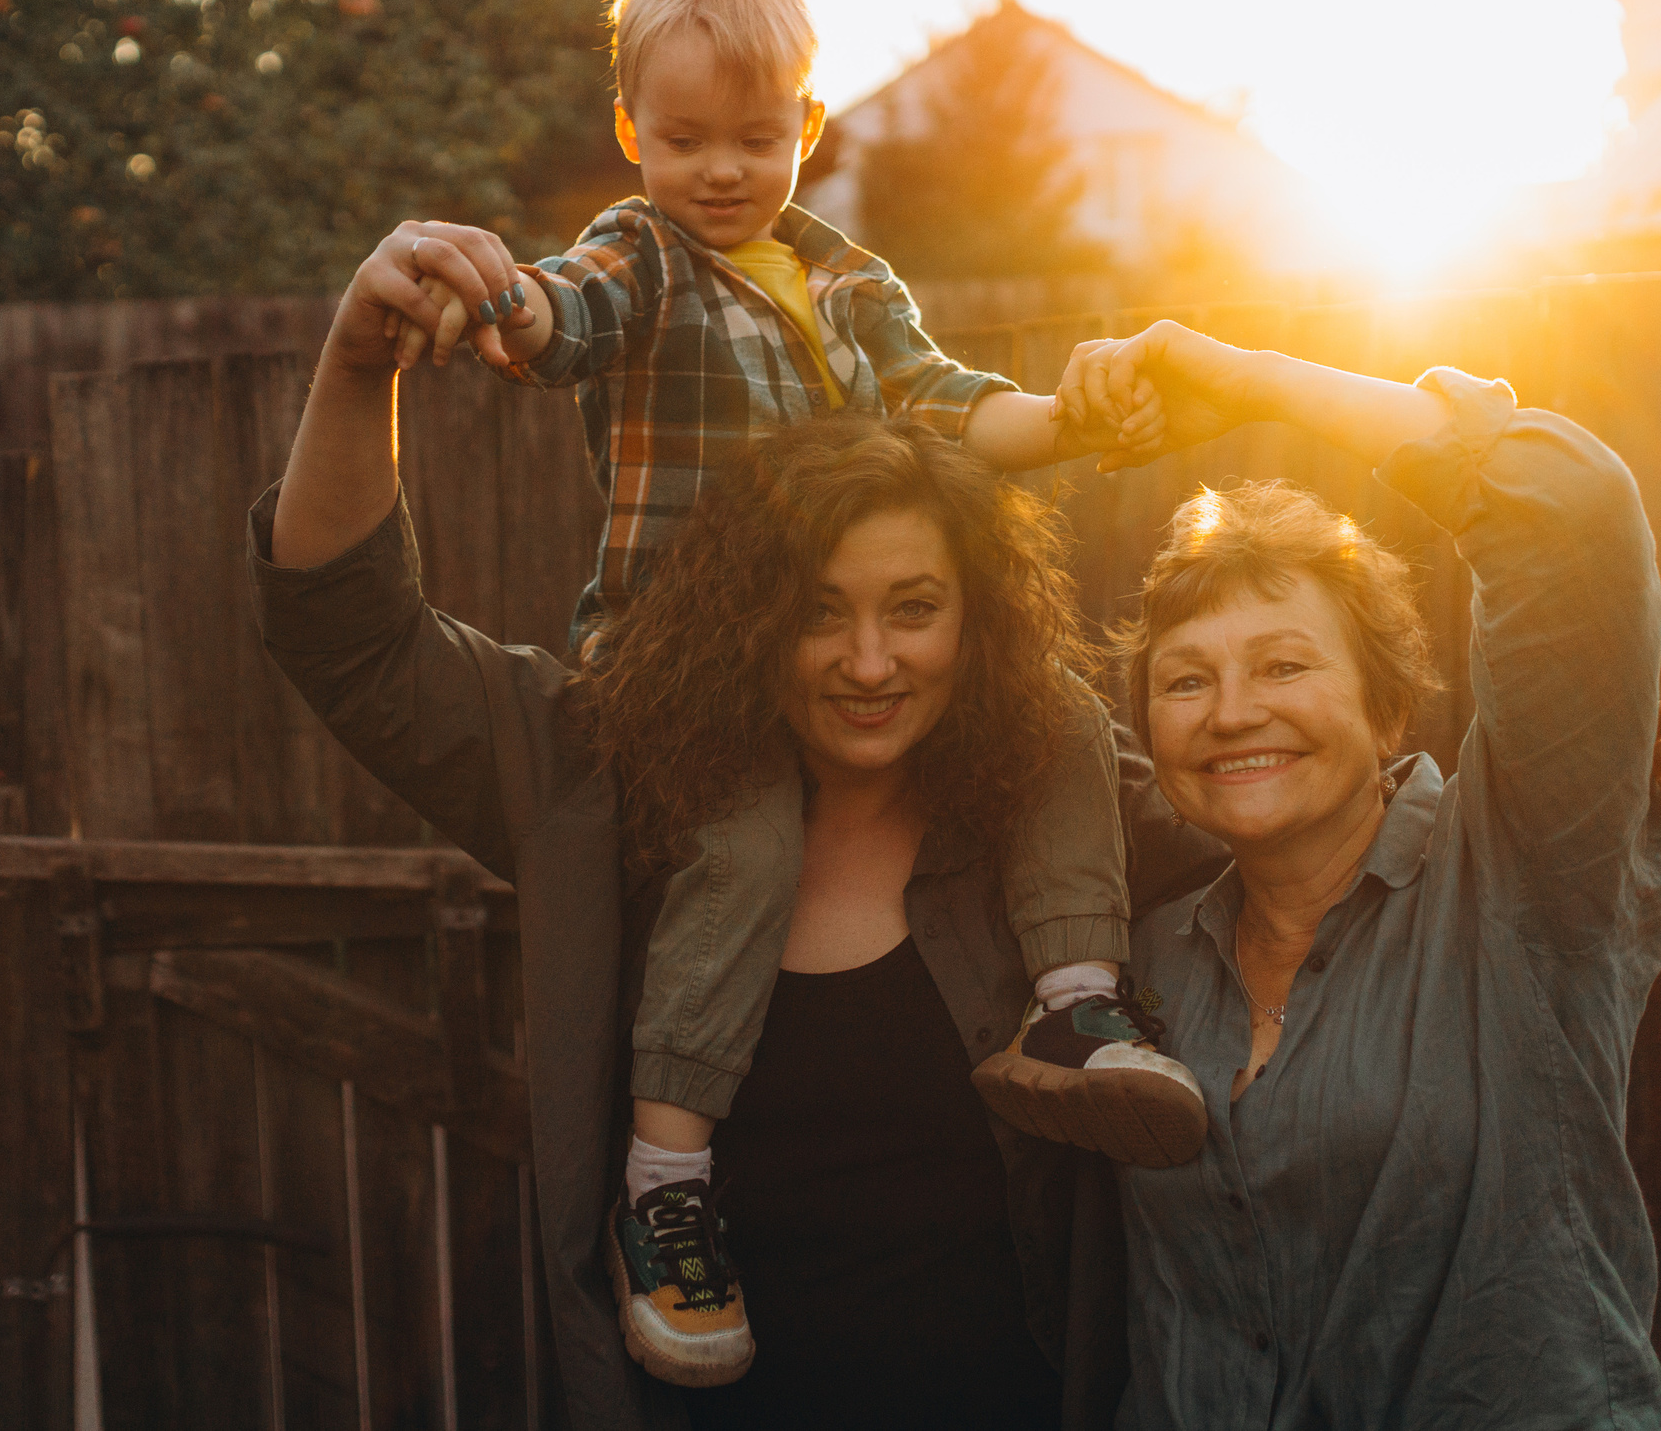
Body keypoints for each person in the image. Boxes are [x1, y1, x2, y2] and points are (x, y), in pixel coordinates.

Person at [361, 0, 1205, 1385]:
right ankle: (668, 1176)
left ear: (809, 130)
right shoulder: (643, 253)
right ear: (634, 131)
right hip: (687, 671)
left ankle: (1074, 1002)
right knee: (747, 846)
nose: (722, 171)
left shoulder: (844, 278)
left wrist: (1078, 415)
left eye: (758, 139)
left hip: (831, 637)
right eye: (684, 139)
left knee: (1064, 705)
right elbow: (567, 319)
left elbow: (950, 405)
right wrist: (500, 299)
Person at [258, 238, 1192, 1427]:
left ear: (978, 618)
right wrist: (354, 366)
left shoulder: (1058, 803)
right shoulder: (606, 787)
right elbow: (350, 640)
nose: (869, 662)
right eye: (816, 615)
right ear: (742, 621)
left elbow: (1303, 828)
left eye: (913, 610)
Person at [1056, 319, 1661, 1427]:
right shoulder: (1145, 961)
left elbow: (1569, 512)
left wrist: (1249, 378)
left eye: (1285, 665)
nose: (1232, 711)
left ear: (1387, 705)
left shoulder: (1521, 879)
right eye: (1185, 681)